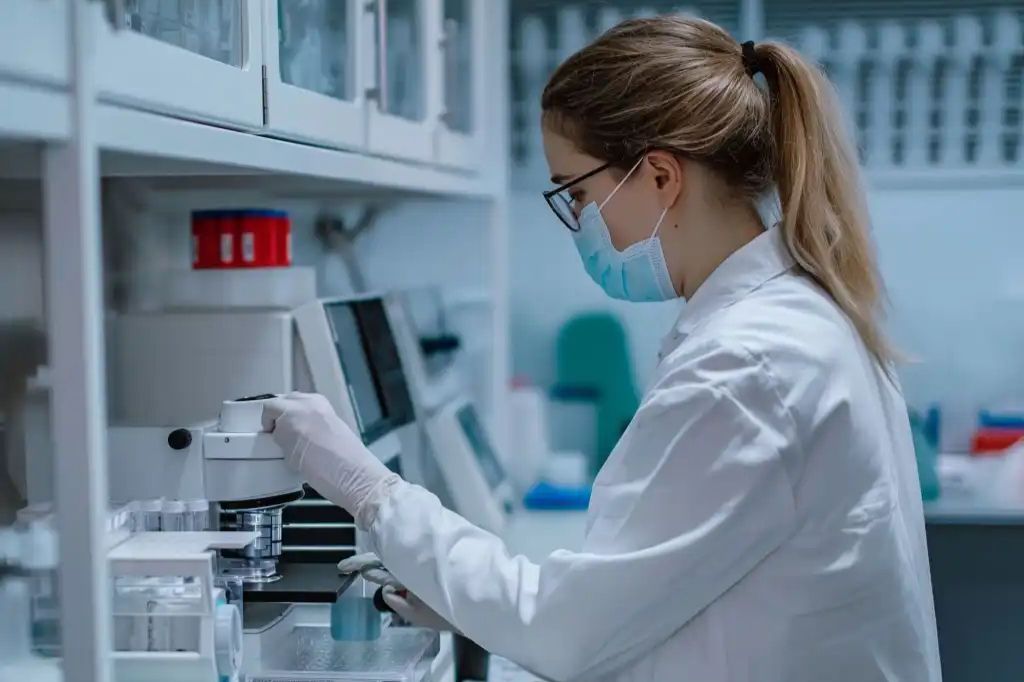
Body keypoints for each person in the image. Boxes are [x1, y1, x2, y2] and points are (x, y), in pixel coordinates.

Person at [263, 15, 942, 682]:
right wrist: (474, 605)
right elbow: (657, 605)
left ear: (660, 177)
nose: (579, 223)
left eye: (579, 194)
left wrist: (370, 491)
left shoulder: (747, 367)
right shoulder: (791, 320)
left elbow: (566, 634)